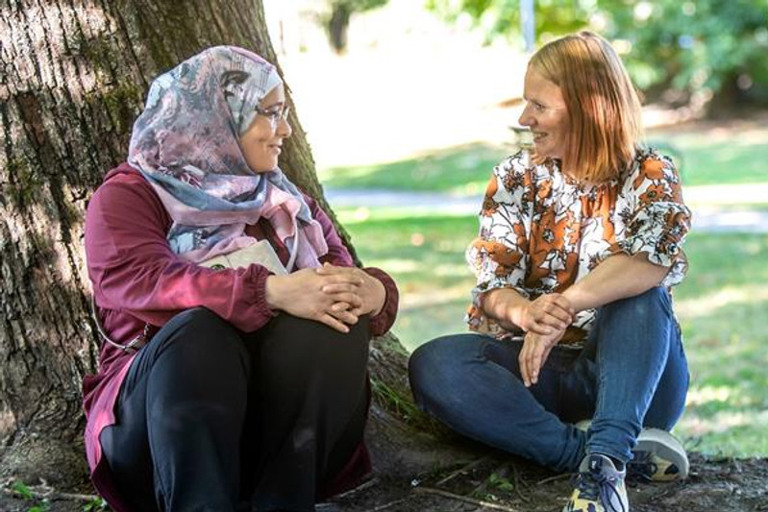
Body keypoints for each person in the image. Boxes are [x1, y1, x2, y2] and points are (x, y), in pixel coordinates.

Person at [82, 46, 398, 512]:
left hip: (268, 435)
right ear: (217, 119)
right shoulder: (130, 195)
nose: (285, 130)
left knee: (336, 319)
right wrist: (271, 291)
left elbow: (337, 271)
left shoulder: (286, 201)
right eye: (270, 114)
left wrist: (373, 291)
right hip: (162, 433)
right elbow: (135, 278)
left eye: (285, 114)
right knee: (197, 332)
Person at [408, 31, 691, 512]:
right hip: (536, 371)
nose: (524, 119)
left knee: (641, 294)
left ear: (588, 106)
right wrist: (526, 315)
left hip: (633, 377)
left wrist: (566, 304)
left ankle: (604, 467)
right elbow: (491, 286)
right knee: (435, 364)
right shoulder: (518, 176)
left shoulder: (650, 174)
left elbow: (648, 262)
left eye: (538, 105)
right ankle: (595, 457)